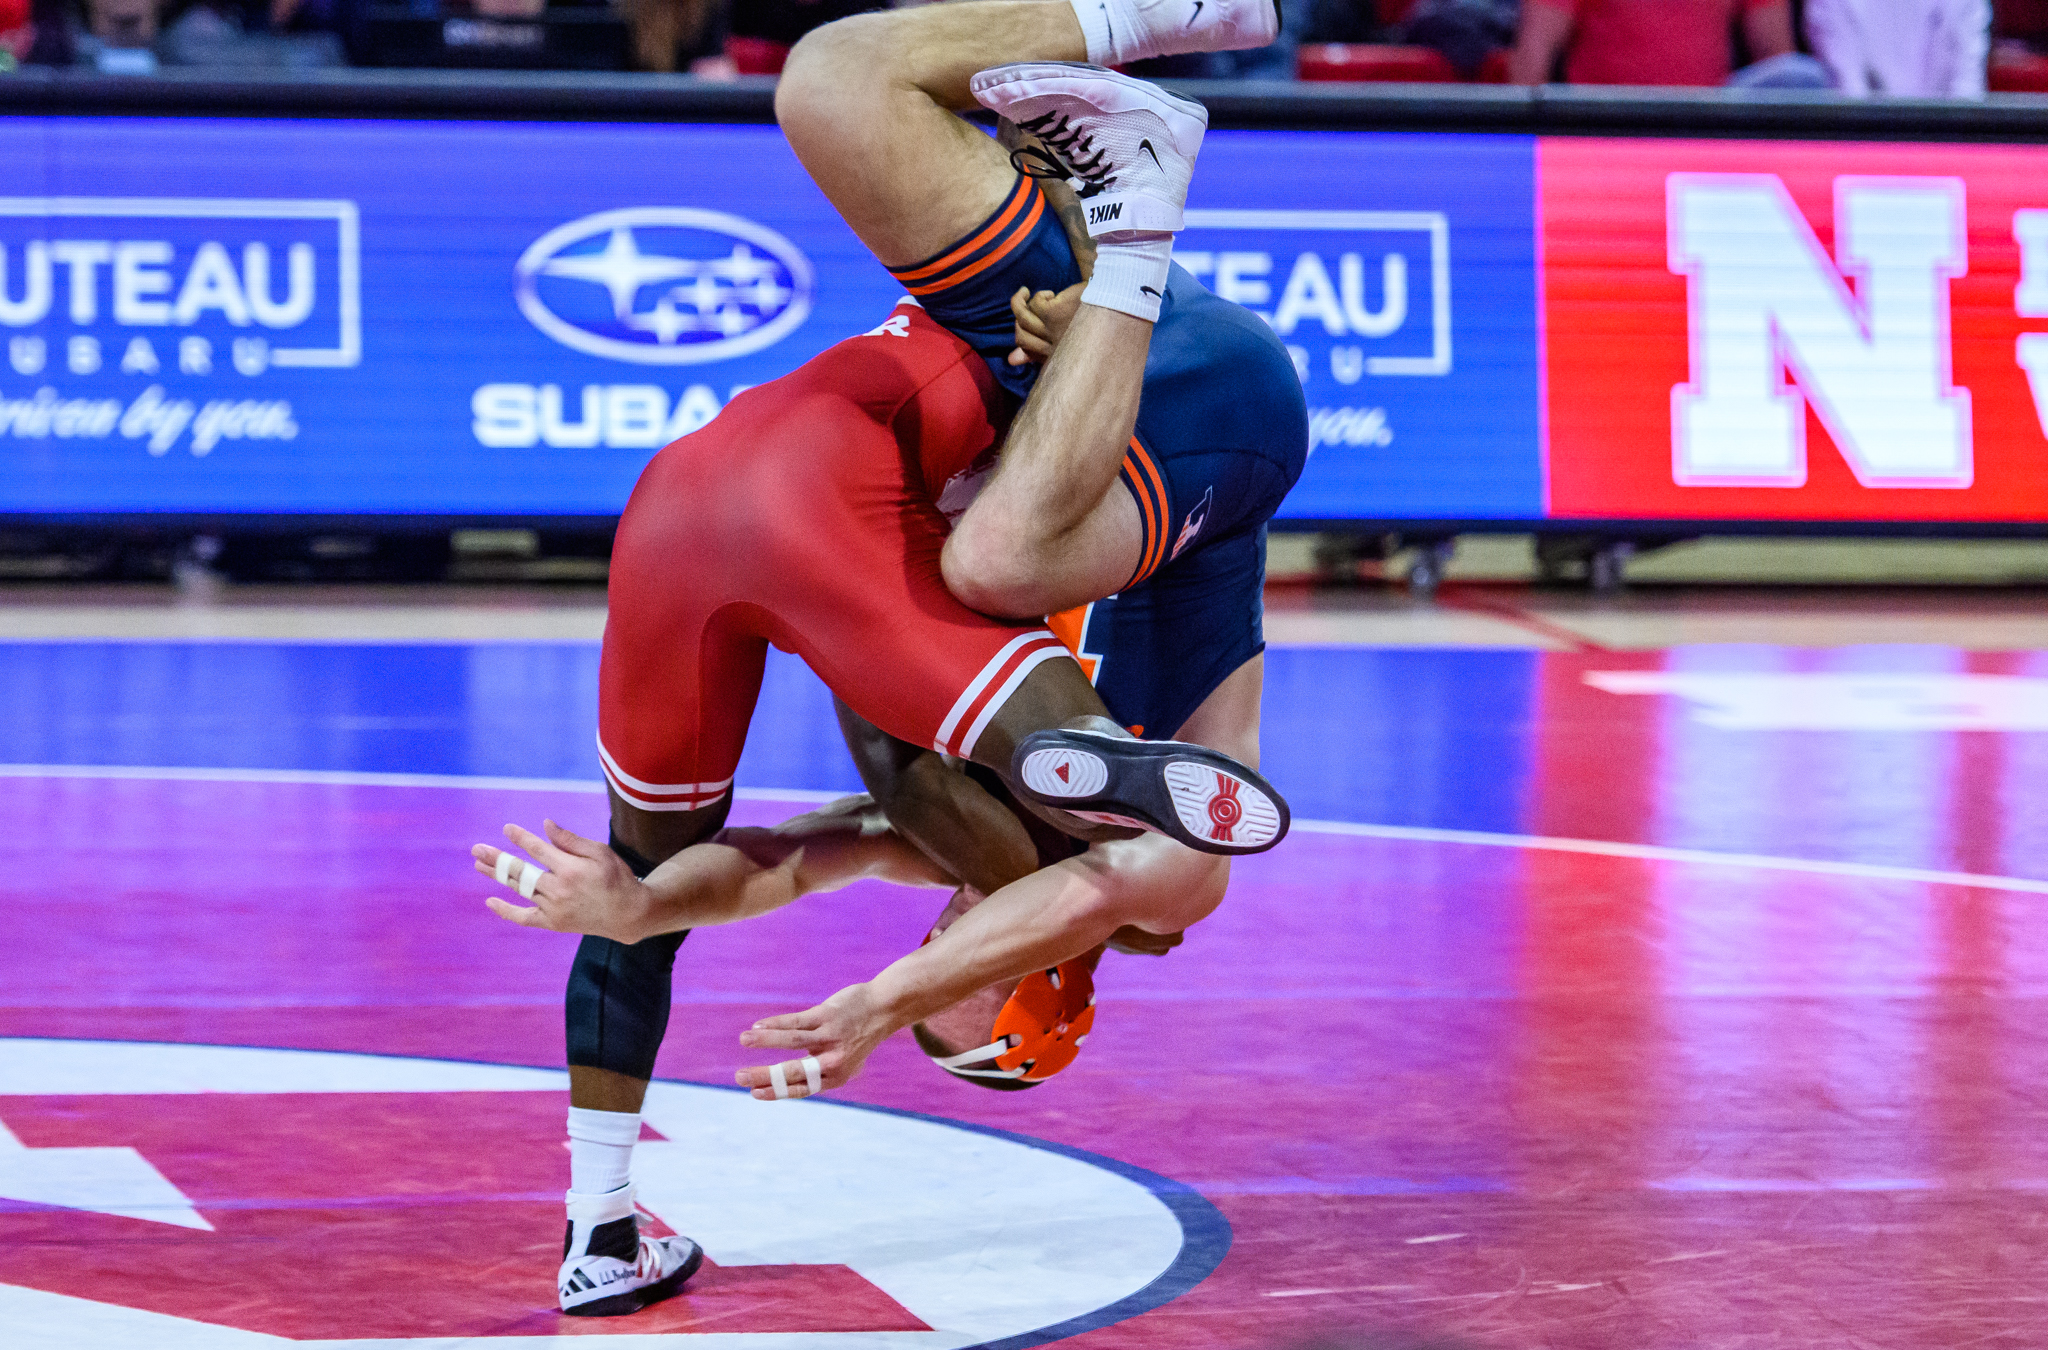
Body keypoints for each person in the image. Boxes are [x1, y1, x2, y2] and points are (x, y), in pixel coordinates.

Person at [1507, 0, 1796, 86]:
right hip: (1604, 141)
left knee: (1801, 76)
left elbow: (1780, 65)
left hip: (1711, 144)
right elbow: (1533, 58)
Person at [1804, 0, 1988, 97]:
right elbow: (1849, 91)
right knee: (1796, 74)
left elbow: (1967, 90)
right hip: (1868, 141)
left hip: (1941, 140)